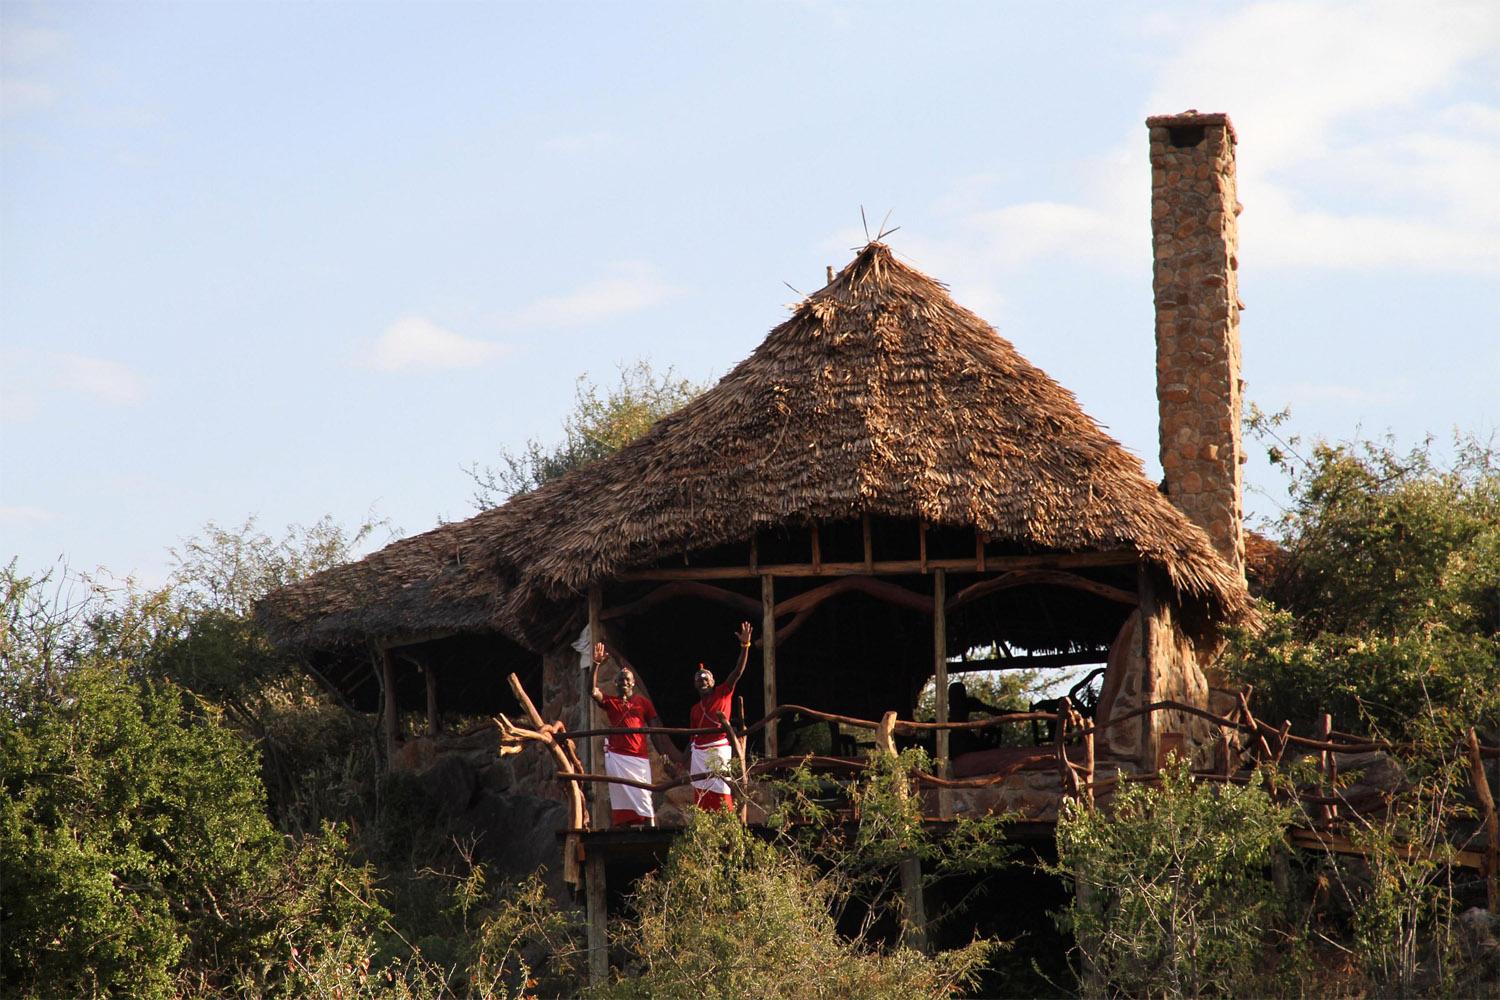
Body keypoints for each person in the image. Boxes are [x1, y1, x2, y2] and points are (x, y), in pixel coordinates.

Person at [590, 641, 682, 827]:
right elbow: (593, 692)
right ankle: (622, 833)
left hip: (639, 758)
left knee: (644, 797)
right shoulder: (611, 702)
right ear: (615, 683)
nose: (624, 682)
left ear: (632, 683)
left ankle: (651, 831)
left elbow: (655, 729)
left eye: (627, 679)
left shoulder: (643, 703)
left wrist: (663, 753)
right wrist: (596, 664)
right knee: (621, 798)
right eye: (621, 679)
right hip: (618, 757)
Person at [687, 621, 753, 811]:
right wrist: (679, 762)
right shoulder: (694, 709)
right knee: (701, 797)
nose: (702, 681)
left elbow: (738, 671)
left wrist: (745, 646)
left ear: (713, 681)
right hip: (699, 754)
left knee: (722, 792)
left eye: (705, 678)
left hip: (718, 748)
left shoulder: (724, 691)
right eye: (698, 680)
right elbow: (692, 739)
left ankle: (727, 825)